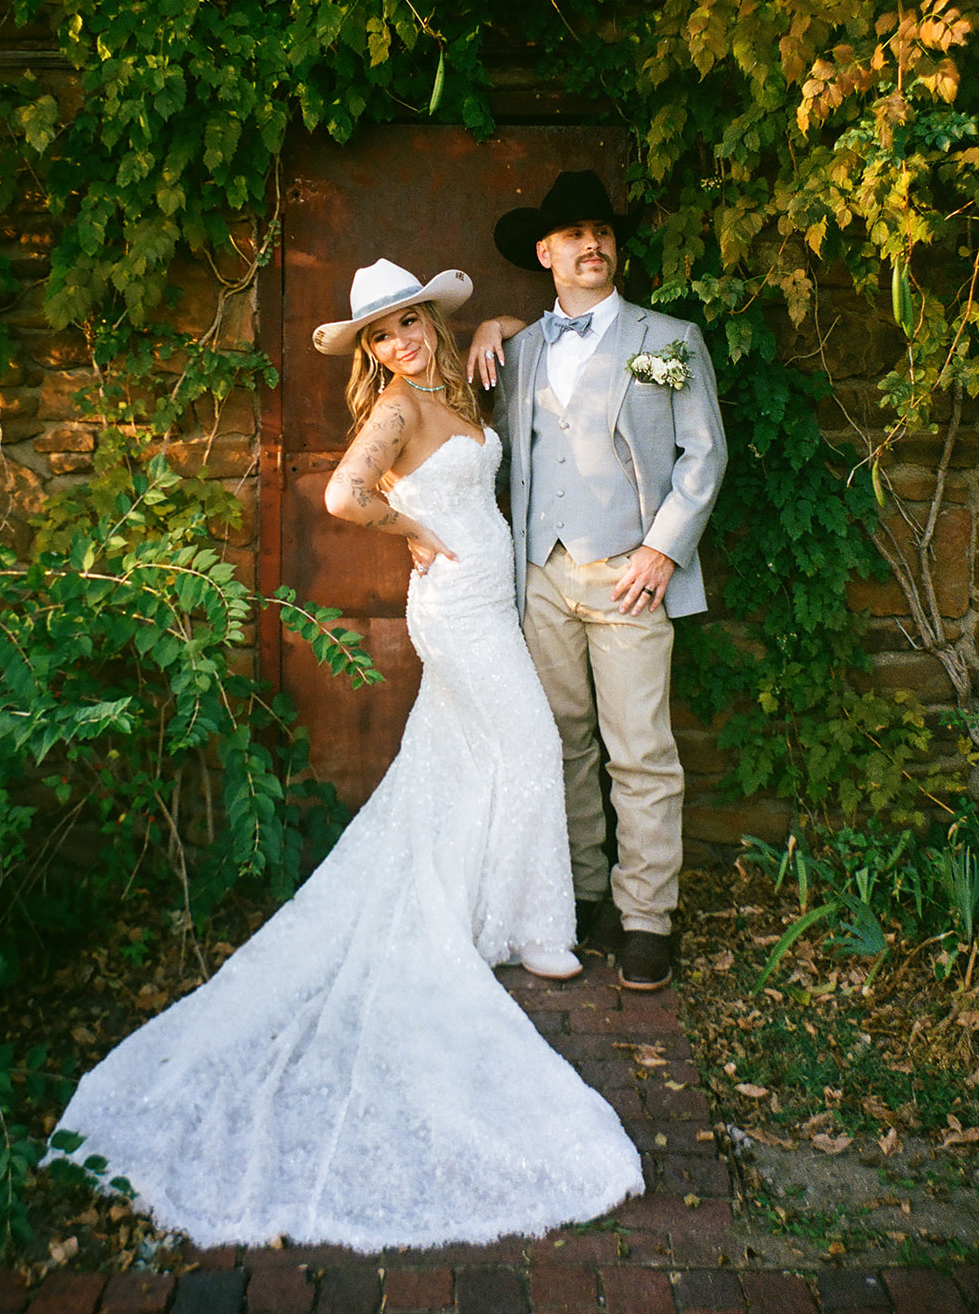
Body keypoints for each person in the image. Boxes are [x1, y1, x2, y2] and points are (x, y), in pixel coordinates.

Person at [44, 257, 642, 1252]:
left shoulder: (455, 379)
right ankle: (538, 930)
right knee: (533, 748)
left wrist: (496, 318)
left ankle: (486, 912)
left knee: (459, 760)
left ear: (428, 326)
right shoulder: (399, 410)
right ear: (372, 353)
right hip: (454, 607)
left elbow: (511, 333)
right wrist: (410, 523)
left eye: (407, 325)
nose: (397, 343)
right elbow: (342, 496)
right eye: (380, 336)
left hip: (490, 594)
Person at [468, 172, 728, 993]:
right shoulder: (522, 349)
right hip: (541, 575)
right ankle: (581, 893)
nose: (593, 245)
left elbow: (703, 453)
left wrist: (661, 551)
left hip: (626, 574)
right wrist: (488, 322)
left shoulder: (664, 340)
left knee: (640, 751)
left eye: (602, 232)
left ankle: (647, 914)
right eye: (573, 235)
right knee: (562, 743)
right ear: (544, 253)